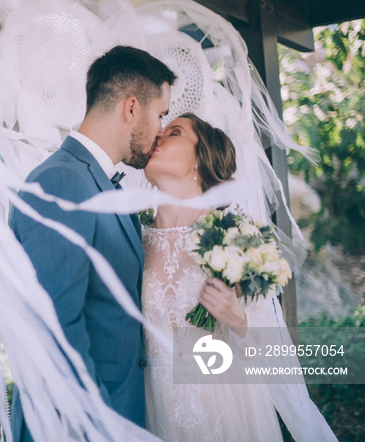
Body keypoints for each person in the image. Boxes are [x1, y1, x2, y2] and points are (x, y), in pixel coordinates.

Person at [8, 45, 176, 441]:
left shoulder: (100, 184)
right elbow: (55, 328)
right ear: (131, 109)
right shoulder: (62, 181)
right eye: (160, 115)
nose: (161, 131)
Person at [141, 112, 336, 441]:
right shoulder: (136, 240)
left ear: (199, 162)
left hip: (225, 409)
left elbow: (273, 353)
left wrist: (238, 319)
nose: (159, 137)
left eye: (174, 132)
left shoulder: (235, 237)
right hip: (152, 408)